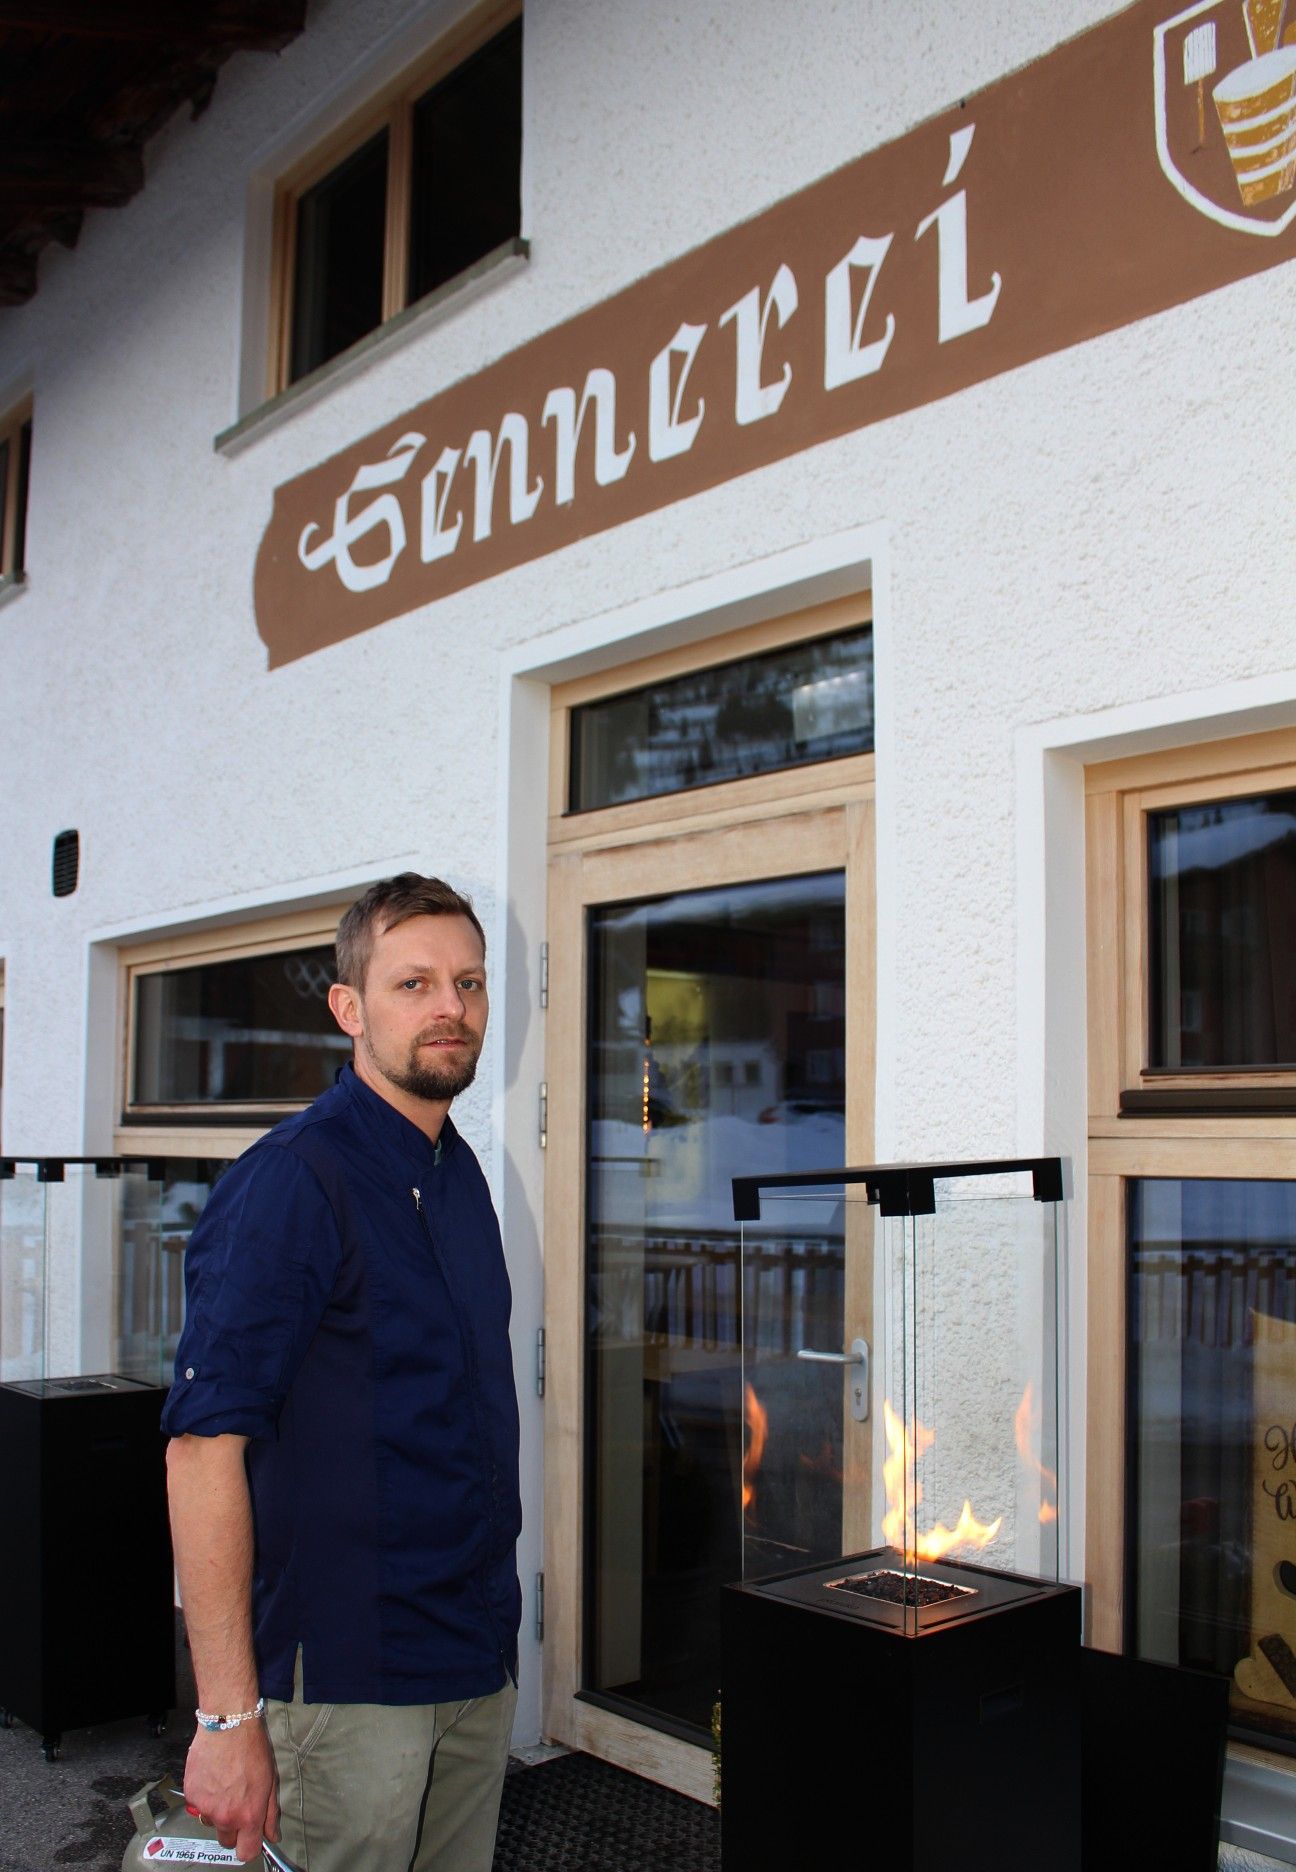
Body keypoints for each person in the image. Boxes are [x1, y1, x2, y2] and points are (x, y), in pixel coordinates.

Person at [162, 873, 522, 1872]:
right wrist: (228, 1719)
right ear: (349, 1010)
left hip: (474, 1658)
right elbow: (201, 1450)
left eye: (469, 982)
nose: (450, 1006)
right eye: (414, 984)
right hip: (349, 1687)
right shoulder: (293, 1181)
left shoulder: (459, 1174)